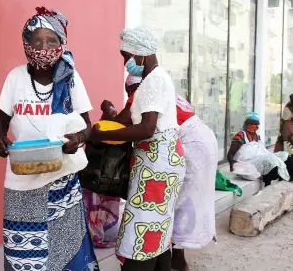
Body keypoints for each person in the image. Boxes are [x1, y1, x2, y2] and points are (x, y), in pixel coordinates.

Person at [0, 7, 99, 270]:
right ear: (25, 43)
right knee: (23, 252)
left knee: (67, 247)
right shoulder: (15, 77)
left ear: (62, 44)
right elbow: (1, 122)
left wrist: (78, 138)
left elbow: (89, 125)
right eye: (36, 40)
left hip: (61, 178)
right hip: (21, 179)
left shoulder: (71, 79)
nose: (44, 46)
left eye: (52, 40)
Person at [90, 27, 185, 271]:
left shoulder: (154, 80)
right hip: (157, 164)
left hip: (158, 167)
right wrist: (93, 132)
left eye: (126, 56)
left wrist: (104, 135)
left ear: (140, 54)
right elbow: (125, 120)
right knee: (157, 229)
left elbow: (146, 129)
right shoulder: (150, 80)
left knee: (142, 231)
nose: (126, 62)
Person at [83, 75, 142, 248]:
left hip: (103, 173)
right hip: (106, 173)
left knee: (98, 200)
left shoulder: (139, 98)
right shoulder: (144, 98)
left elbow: (115, 124)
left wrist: (108, 113)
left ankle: (100, 234)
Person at [171, 95, 217, 271]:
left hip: (192, 145)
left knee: (180, 199)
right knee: (185, 198)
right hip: (203, 138)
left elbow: (145, 128)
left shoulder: (143, 94)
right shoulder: (171, 93)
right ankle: (176, 256)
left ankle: (177, 257)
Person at [227, 112, 290, 186]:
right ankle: (267, 181)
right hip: (247, 164)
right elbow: (230, 153)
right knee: (271, 159)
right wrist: (232, 164)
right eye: (251, 124)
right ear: (246, 124)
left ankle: (279, 179)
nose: (254, 127)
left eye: (256, 125)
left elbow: (261, 152)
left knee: (284, 155)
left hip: (258, 160)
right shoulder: (240, 135)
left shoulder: (257, 136)